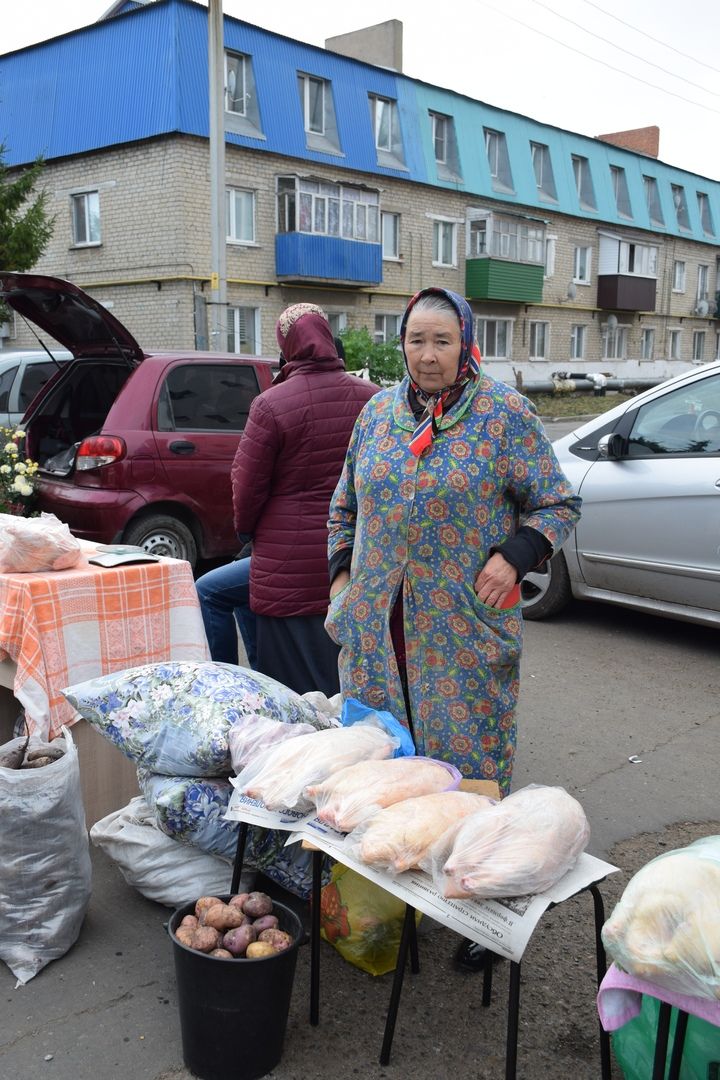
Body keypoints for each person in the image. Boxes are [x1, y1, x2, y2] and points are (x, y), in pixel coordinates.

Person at [326, 287, 580, 967]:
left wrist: (515, 555)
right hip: (381, 630)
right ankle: (389, 904)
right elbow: (344, 506)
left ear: (466, 343)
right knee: (385, 769)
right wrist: (342, 585)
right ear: (401, 344)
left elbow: (557, 503)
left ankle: (483, 909)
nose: (427, 355)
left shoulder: (504, 415)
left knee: (470, 772)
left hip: (462, 629)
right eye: (416, 340)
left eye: (442, 341)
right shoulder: (377, 414)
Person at [230, 302, 378, 696]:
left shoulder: (271, 404)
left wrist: (247, 533)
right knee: (344, 679)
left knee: (292, 690)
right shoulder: (374, 399)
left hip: (286, 561)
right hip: (353, 555)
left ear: (286, 346)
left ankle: (237, 690)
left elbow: (247, 488)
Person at [195, 551, 257, 668]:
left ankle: (223, 675)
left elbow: (245, 535)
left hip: (284, 555)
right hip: (277, 551)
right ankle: (261, 670)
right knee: (237, 594)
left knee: (206, 591)